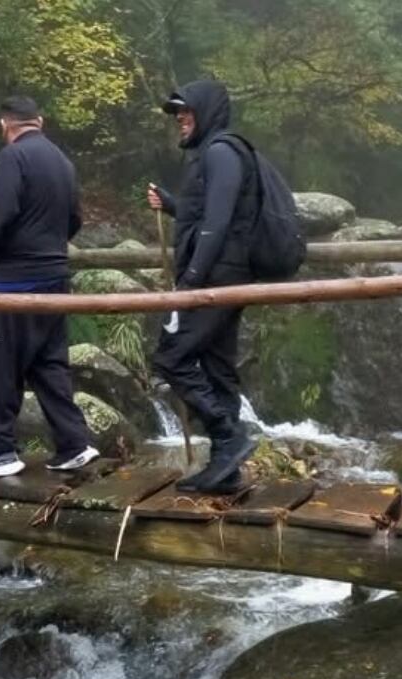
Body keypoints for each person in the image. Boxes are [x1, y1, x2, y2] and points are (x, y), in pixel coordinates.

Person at [0, 96, 99, 477]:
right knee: (48, 364)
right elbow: (74, 219)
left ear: (6, 125)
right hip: (54, 278)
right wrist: (50, 248)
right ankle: (74, 444)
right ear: (39, 121)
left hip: (14, 280)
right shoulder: (62, 162)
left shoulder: (12, 158)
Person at [146, 80, 258, 494]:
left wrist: (191, 282)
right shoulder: (215, 154)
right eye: (177, 114)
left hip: (215, 280)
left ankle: (228, 435)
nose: (180, 120)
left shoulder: (222, 152)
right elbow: (207, 214)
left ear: (207, 112)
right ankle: (225, 472)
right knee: (217, 368)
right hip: (221, 277)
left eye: (186, 112)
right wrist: (173, 204)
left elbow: (219, 223)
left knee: (170, 357)